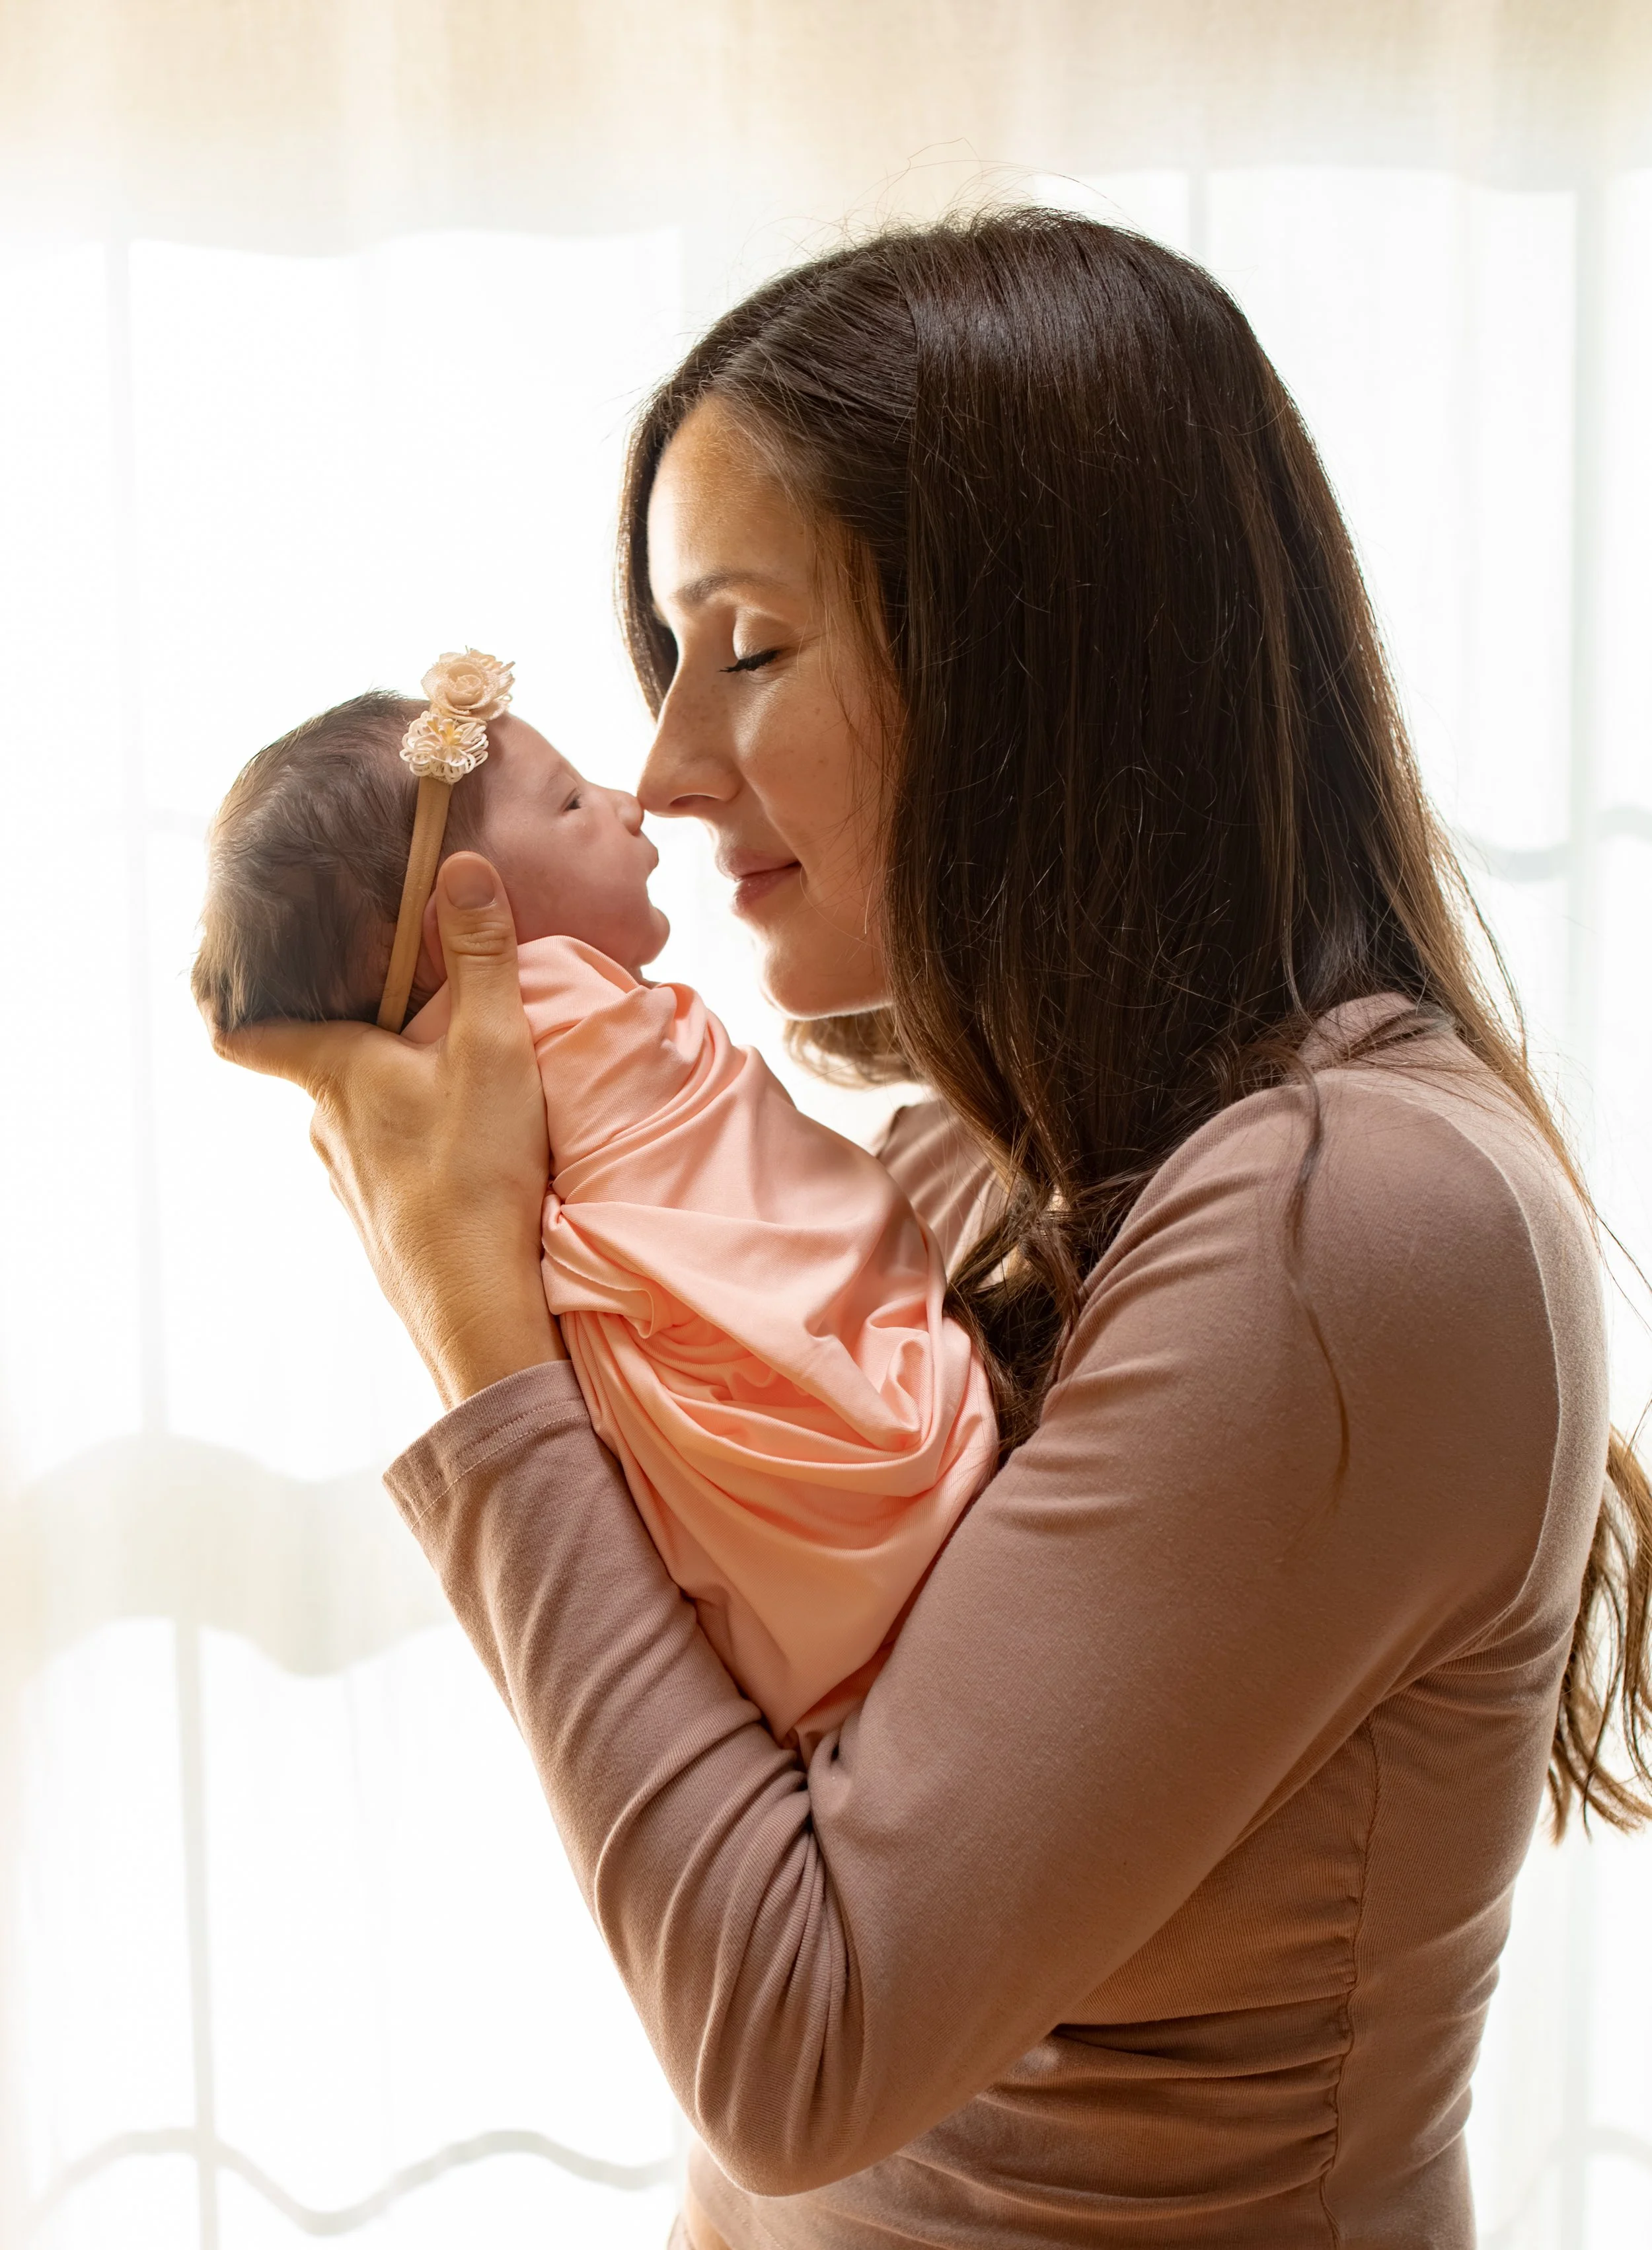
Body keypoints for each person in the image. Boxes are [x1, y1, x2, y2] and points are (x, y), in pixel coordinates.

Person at [216, 211, 1652, 2247]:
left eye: (751, 646)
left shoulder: (1353, 1220)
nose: (666, 768)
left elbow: (797, 2045)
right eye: (665, 656)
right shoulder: (977, 1167)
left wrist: (476, 1338)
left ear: (1041, 663)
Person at [190, 675, 993, 1750]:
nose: (631, 802)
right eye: (570, 804)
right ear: (460, 924)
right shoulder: (547, 1010)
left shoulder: (457, 1103)